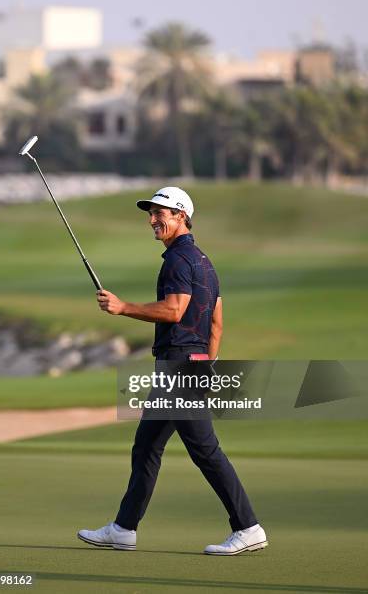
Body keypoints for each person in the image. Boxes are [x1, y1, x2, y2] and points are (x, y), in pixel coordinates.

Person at [77, 186, 268, 555]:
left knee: (205, 451)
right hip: (189, 363)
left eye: (160, 212)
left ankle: (248, 526)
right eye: (150, 213)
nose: (152, 219)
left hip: (179, 366)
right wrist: (206, 366)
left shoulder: (178, 261)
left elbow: (175, 310)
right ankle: (124, 528)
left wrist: (123, 307)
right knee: (147, 445)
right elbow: (216, 326)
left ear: (181, 215)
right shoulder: (205, 262)